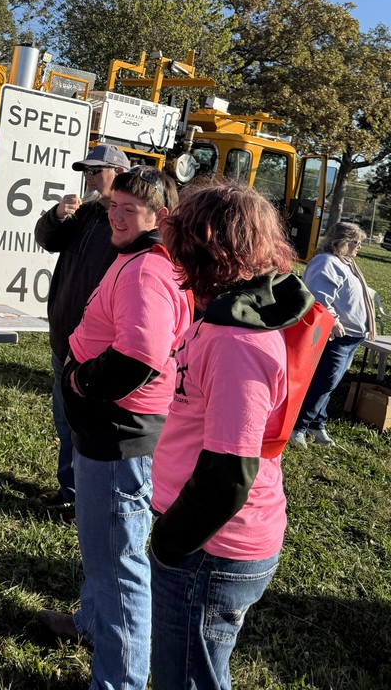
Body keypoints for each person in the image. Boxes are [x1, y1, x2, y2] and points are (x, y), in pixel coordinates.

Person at [149, 183, 313, 690]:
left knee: (186, 678)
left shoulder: (235, 341)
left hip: (211, 546)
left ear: (201, 247)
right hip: (207, 538)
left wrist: (169, 544)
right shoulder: (221, 316)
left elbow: (228, 474)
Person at [44, 166, 192, 690]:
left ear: (160, 217)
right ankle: (91, 622)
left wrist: (80, 381)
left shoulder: (146, 270)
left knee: (118, 561)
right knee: (105, 549)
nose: (116, 217)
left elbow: (139, 357)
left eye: (130, 210)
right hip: (113, 431)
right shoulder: (142, 258)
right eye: (114, 206)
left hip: (119, 434)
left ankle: (120, 680)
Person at [33, 144, 129, 515]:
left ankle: (87, 497)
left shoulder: (128, 224)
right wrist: (57, 215)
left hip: (97, 347)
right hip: (64, 338)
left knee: (89, 426)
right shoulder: (85, 213)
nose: (88, 178)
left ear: (119, 173)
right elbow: (47, 239)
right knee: (65, 421)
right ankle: (70, 489)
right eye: (85, 171)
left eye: (95, 171)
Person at [289, 221, 375, 448]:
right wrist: (334, 320)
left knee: (330, 383)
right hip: (336, 336)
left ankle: (316, 423)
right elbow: (317, 296)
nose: (359, 247)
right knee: (324, 382)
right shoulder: (326, 262)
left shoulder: (344, 262)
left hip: (351, 337)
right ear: (342, 241)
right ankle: (298, 427)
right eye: (356, 242)